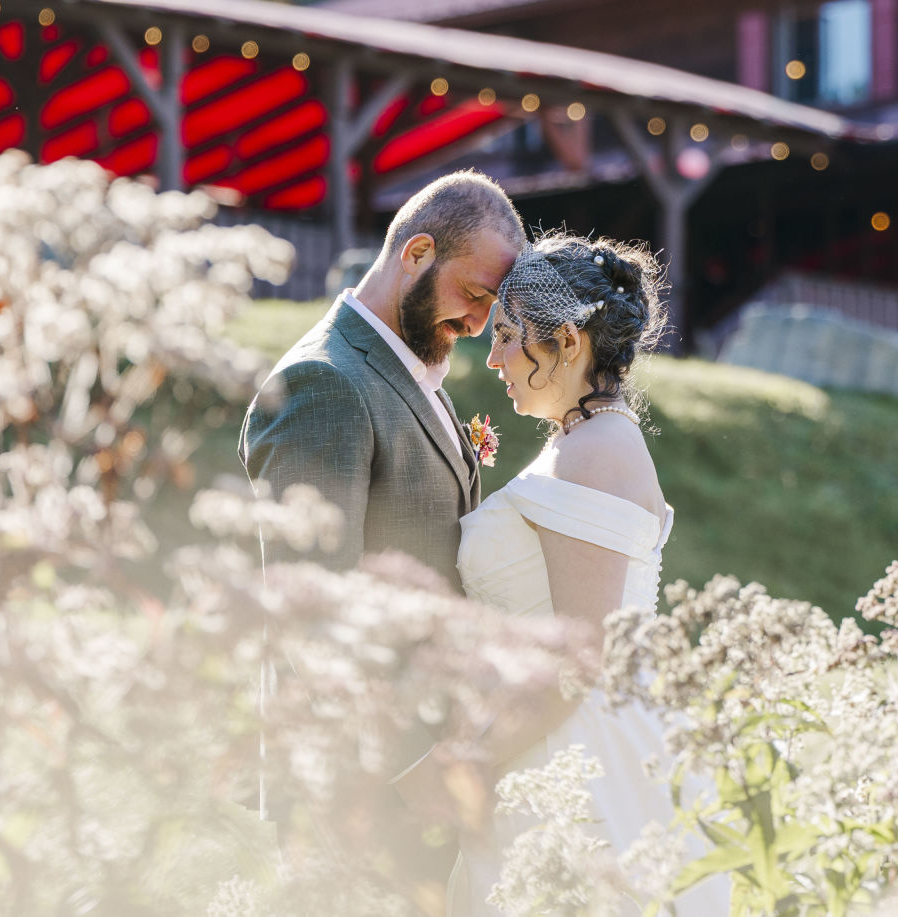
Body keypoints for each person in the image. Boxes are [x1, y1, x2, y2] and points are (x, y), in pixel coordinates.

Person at [238, 169, 525, 906]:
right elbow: (310, 612)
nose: (480, 324)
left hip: (426, 774)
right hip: (368, 790)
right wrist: (397, 778)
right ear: (418, 252)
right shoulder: (322, 384)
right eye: (475, 295)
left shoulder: (405, 366)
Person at [445, 232, 728, 917]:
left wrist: (470, 765)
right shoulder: (582, 438)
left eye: (510, 335)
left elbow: (581, 657)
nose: (494, 356)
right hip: (553, 737)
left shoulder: (597, 450)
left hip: (576, 752)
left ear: (568, 342)